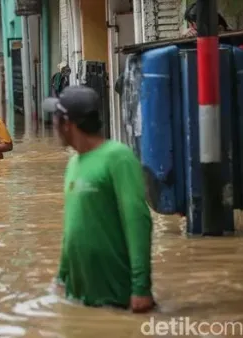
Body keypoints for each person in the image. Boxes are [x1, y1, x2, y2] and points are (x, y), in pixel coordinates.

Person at [44, 85, 155, 313]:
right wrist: (61, 276)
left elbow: (137, 221)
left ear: (67, 123)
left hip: (115, 295)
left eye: (55, 117)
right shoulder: (74, 163)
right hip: (79, 295)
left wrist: (141, 287)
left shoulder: (118, 157)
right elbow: (71, 229)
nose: (52, 125)